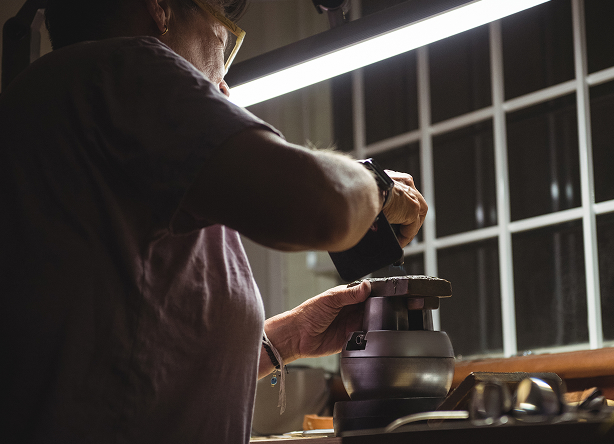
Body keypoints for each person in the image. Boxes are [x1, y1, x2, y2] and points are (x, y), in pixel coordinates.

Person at [0, 0, 428, 442]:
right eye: (220, 24)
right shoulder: (125, 67)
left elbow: (130, 346)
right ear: (161, 8)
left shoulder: (70, 102)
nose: (224, 71)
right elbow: (322, 207)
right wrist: (378, 188)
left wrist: (288, 338)